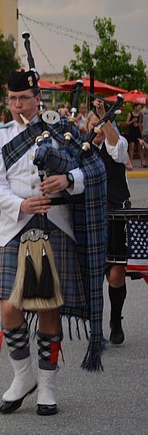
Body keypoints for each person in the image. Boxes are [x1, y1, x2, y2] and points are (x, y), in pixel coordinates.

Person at [0, 70, 87, 416]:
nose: (18, 105)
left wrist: (68, 179)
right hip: (16, 225)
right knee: (9, 307)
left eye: (24, 99)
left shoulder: (60, 129)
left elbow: (88, 168)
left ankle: (48, 384)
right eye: (13, 99)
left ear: (37, 98)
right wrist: (21, 205)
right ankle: (23, 375)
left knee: (49, 306)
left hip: (55, 223)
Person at [86, 102, 130, 344]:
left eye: (101, 125)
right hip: (91, 217)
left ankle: (115, 319)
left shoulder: (116, 144)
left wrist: (104, 117)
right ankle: (95, 325)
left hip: (116, 214)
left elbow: (118, 149)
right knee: (93, 276)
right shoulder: (80, 150)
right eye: (93, 125)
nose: (97, 129)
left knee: (115, 273)